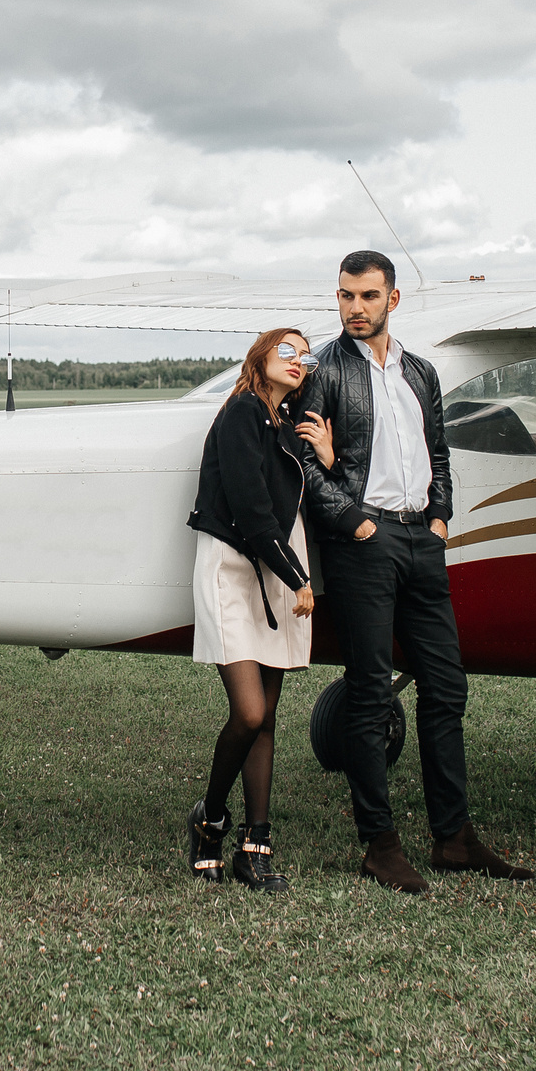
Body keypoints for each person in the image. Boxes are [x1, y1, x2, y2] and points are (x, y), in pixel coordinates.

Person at [296, 249, 533, 892]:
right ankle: (380, 844)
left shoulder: (421, 373)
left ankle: (453, 838)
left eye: (368, 296)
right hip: (366, 543)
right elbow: (303, 462)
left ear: (392, 300)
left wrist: (440, 520)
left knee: (446, 687)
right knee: (371, 694)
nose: (354, 309)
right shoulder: (323, 371)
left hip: (421, 540)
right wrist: (356, 522)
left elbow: (438, 453)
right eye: (345, 296)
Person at [183, 327, 322, 892]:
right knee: (249, 712)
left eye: (304, 356)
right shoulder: (241, 413)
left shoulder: (286, 426)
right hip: (236, 569)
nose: (297, 361)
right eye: (285, 350)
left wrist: (326, 455)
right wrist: (299, 579)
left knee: (267, 715)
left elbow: (305, 502)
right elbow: (250, 508)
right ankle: (210, 819)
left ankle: (256, 844)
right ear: (259, 357)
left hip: (278, 566)